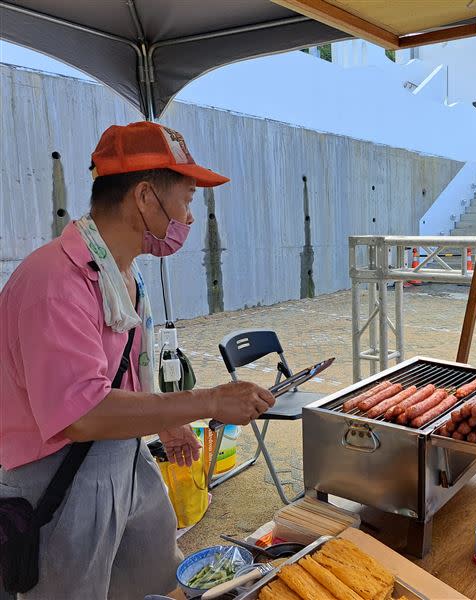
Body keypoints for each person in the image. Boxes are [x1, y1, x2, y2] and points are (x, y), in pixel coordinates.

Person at [0, 122, 275, 599]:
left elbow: (120, 373)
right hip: (57, 478)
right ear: (147, 198)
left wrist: (166, 422)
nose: (190, 219)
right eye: (187, 200)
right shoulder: (54, 283)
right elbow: (82, 414)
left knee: (155, 580)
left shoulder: (122, 275)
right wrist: (206, 400)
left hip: (122, 457)